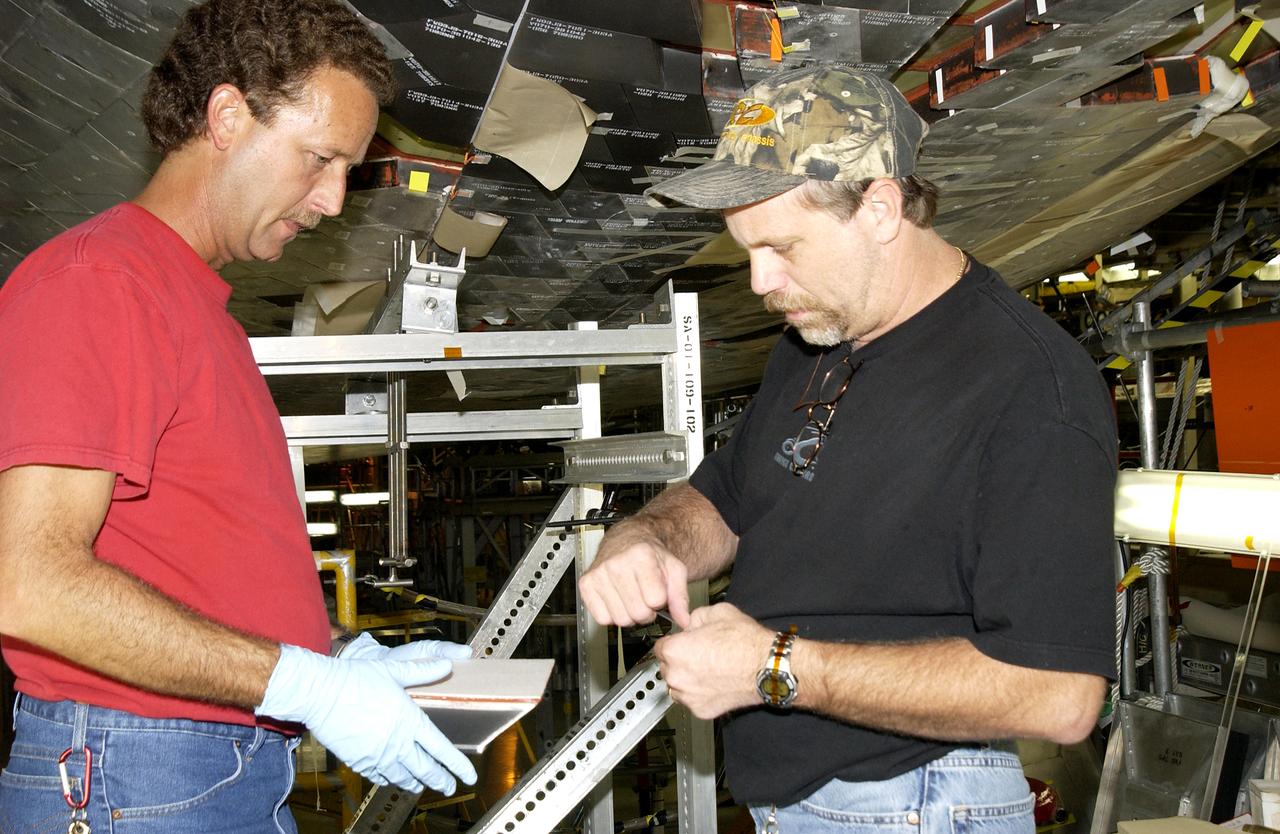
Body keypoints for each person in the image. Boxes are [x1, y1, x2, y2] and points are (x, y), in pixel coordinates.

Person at [579, 65, 1116, 833]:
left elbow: (1059, 695)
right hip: (806, 805)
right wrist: (646, 539)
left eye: (783, 246)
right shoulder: (818, 337)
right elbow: (730, 497)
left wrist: (775, 670)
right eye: (747, 251)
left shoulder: (1029, 389)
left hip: (916, 806)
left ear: (882, 209)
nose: (763, 281)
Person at [0, 1, 475, 829]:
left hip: (213, 768)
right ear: (226, 115)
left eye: (348, 173)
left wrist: (336, 654)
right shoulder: (98, 283)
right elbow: (29, 585)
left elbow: (193, 565)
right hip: (137, 775)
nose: (331, 200)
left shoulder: (199, 309)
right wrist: (303, 684)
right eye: (320, 159)